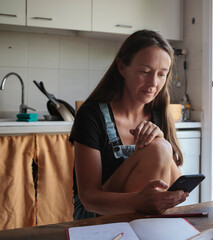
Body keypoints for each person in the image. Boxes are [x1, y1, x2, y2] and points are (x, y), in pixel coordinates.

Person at [70, 30, 188, 220]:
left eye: (161, 74)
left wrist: (161, 140)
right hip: (94, 217)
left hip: (143, 218)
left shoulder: (159, 113)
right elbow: (89, 199)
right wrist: (141, 201)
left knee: (159, 147)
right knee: (158, 149)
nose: (153, 83)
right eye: (145, 71)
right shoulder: (91, 116)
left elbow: (175, 189)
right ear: (122, 67)